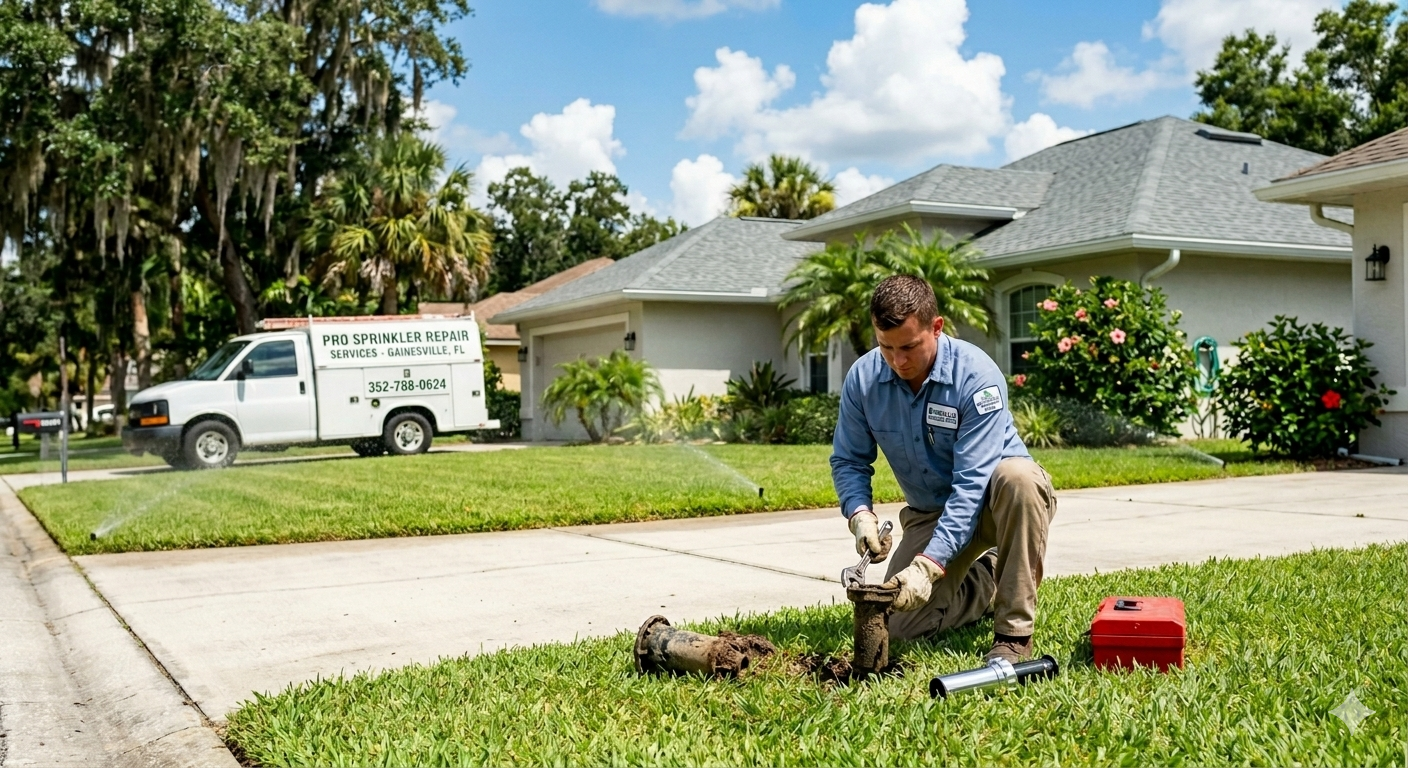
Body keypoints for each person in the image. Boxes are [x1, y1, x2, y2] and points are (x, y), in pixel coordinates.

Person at [830, 275, 1057, 663]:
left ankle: (1014, 633)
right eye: (886, 347)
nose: (898, 361)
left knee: (1020, 478)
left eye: (909, 347)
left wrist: (928, 565)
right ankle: (989, 578)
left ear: (936, 327)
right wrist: (860, 515)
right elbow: (849, 459)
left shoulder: (977, 376)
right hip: (931, 513)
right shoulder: (863, 379)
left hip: (996, 505)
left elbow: (972, 484)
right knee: (901, 624)